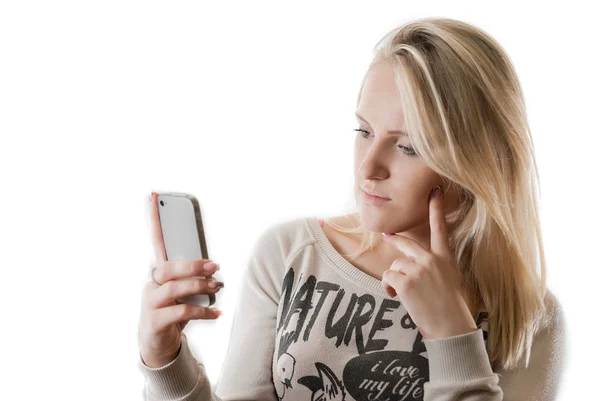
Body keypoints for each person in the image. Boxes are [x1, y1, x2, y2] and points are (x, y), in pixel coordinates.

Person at [137, 17, 566, 401]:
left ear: (478, 161)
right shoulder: (290, 254)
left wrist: (452, 334)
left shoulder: (528, 318)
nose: (368, 166)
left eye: (408, 146)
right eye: (363, 131)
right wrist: (166, 363)